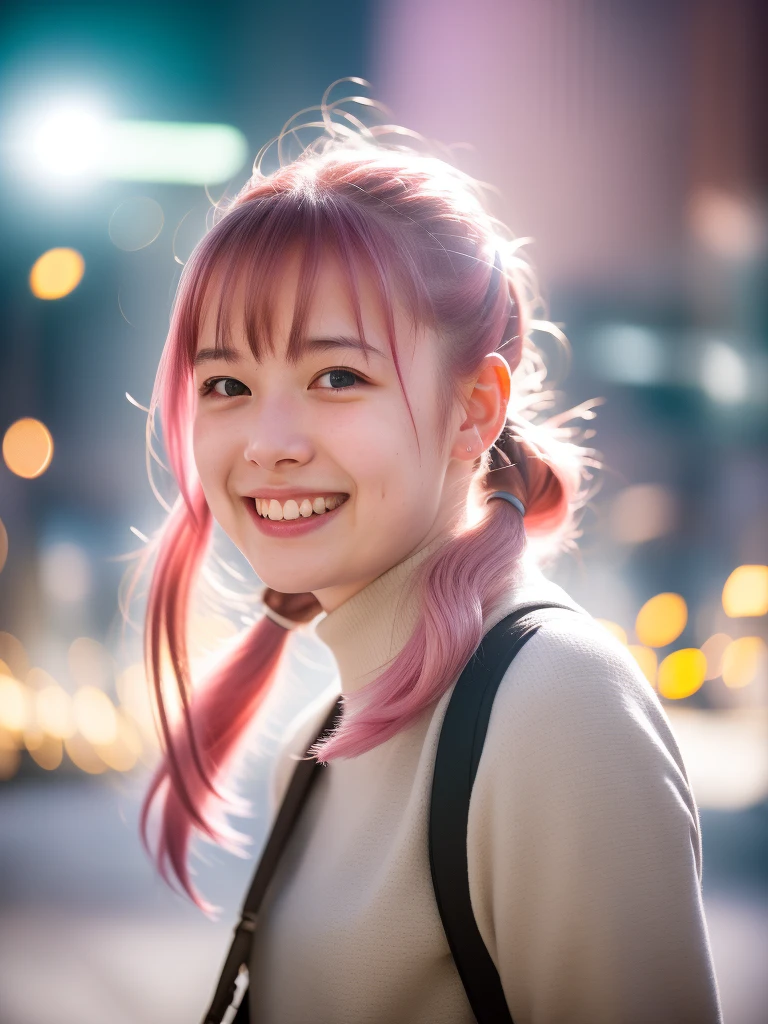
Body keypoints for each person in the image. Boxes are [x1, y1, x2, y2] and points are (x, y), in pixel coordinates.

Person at [134, 84, 723, 1023]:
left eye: (338, 375)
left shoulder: (554, 707)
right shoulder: (316, 747)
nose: (269, 442)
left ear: (476, 409)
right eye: (228, 383)